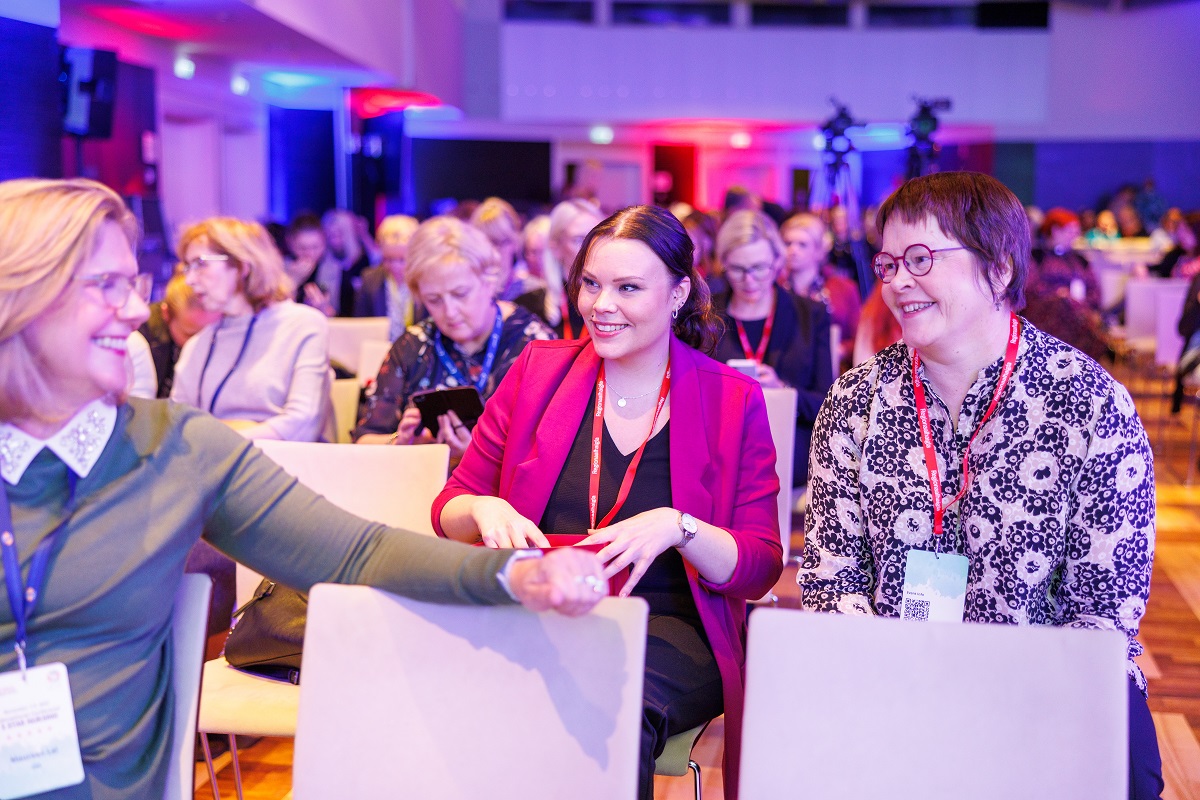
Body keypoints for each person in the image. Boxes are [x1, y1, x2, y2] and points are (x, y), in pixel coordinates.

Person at [0, 177, 607, 800]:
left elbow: (356, 554)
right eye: (106, 285)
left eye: (134, 283)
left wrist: (515, 574)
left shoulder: (176, 446)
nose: (135, 310)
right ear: (19, 295)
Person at [797, 171, 1161, 799]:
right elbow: (833, 579)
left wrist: (1004, 697)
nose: (897, 282)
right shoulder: (856, 401)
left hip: (1051, 678)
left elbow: (1105, 608)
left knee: (1126, 773)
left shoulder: (1088, 403)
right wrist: (885, 670)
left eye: (921, 259)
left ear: (998, 268)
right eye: (888, 264)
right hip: (894, 670)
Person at [431, 205, 783, 800]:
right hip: (543, 610)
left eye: (628, 288)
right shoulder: (538, 371)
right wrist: (484, 509)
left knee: (604, 706)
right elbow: (451, 505)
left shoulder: (732, 399)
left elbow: (760, 565)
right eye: (591, 284)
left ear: (678, 294)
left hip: (666, 626)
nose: (601, 305)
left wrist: (680, 527)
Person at [353, 216, 555, 453]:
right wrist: (400, 443)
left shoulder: (536, 345)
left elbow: (553, 451)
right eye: (434, 300)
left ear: (489, 281)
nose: (449, 312)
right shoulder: (413, 345)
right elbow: (363, 441)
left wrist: (478, 455)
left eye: (460, 294)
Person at [172, 217, 331, 443]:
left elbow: (302, 426)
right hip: (216, 462)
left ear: (242, 265)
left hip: (283, 461)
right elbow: (177, 427)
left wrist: (218, 440)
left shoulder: (302, 325)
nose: (189, 280)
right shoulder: (198, 344)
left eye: (201, 264)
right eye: (187, 267)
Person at [710, 210, 834, 487]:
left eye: (759, 268)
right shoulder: (706, 316)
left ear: (778, 261)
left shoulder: (809, 315)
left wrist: (783, 391)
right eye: (738, 269)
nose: (749, 280)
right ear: (723, 263)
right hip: (721, 445)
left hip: (789, 447)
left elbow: (828, 404)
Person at [779, 212, 861, 370]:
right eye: (788, 243)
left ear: (818, 250)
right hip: (786, 371)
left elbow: (859, 338)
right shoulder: (776, 288)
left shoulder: (843, 288)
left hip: (834, 371)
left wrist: (840, 350)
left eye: (802, 244)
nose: (793, 250)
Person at [138, 271, 220, 398]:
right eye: (190, 335)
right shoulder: (141, 337)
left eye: (209, 334)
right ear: (166, 314)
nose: (199, 342)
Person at [469, 197, 546, 319]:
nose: (494, 252)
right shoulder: (469, 294)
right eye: (487, 244)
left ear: (515, 242)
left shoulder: (536, 291)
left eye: (499, 242)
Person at [354, 214, 423, 340]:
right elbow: (360, 327)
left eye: (402, 260)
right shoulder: (370, 279)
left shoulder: (425, 280)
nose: (395, 267)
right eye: (388, 259)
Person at [544, 198, 603, 339]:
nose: (590, 248)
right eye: (579, 240)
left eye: (596, 239)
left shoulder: (614, 303)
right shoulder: (532, 308)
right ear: (555, 247)